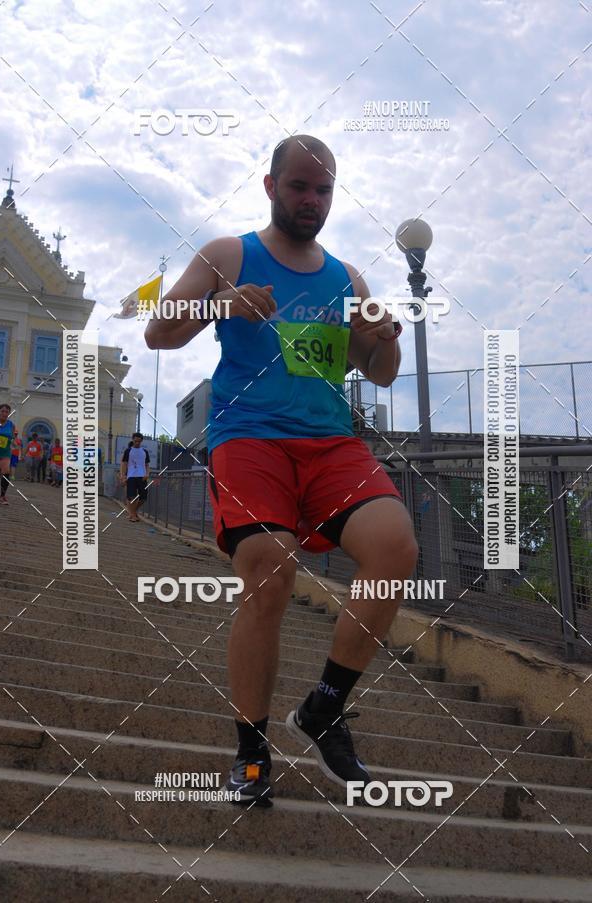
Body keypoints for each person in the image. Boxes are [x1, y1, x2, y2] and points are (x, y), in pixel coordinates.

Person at [145, 135, 418, 807]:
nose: (311, 200)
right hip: (250, 438)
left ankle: (324, 708)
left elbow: (379, 372)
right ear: (271, 186)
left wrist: (387, 336)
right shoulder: (228, 254)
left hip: (330, 444)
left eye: (323, 190)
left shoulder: (347, 278)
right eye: (299, 186)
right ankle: (251, 750)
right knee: (270, 568)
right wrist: (221, 304)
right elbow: (158, 332)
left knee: (396, 547)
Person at [119, 432, 150, 522]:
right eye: (135, 441)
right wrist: (123, 476)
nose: (137, 443)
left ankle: (133, 513)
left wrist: (147, 474)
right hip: (131, 476)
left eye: (139, 441)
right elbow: (124, 464)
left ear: (141, 441)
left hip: (142, 477)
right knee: (132, 497)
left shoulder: (145, 452)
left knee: (143, 498)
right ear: (132, 440)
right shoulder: (128, 451)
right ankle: (133, 516)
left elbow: (147, 465)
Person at [0, 403, 16, 505]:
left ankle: (2, 496)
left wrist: (13, 443)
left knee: (6, 471)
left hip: (5, 453)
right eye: (2, 411)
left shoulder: (11, 425)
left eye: (7, 412)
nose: (4, 413)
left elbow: (13, 438)